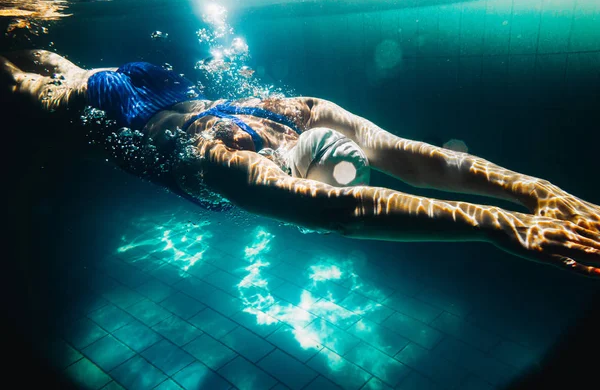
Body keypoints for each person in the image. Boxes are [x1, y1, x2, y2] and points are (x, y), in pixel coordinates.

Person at [2, 49, 599, 277]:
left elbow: (411, 159)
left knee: (64, 74)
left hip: (148, 84)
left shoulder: (296, 112)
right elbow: (352, 210)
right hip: (125, 103)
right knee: (42, 91)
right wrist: (504, 224)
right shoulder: (233, 162)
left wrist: (534, 191)